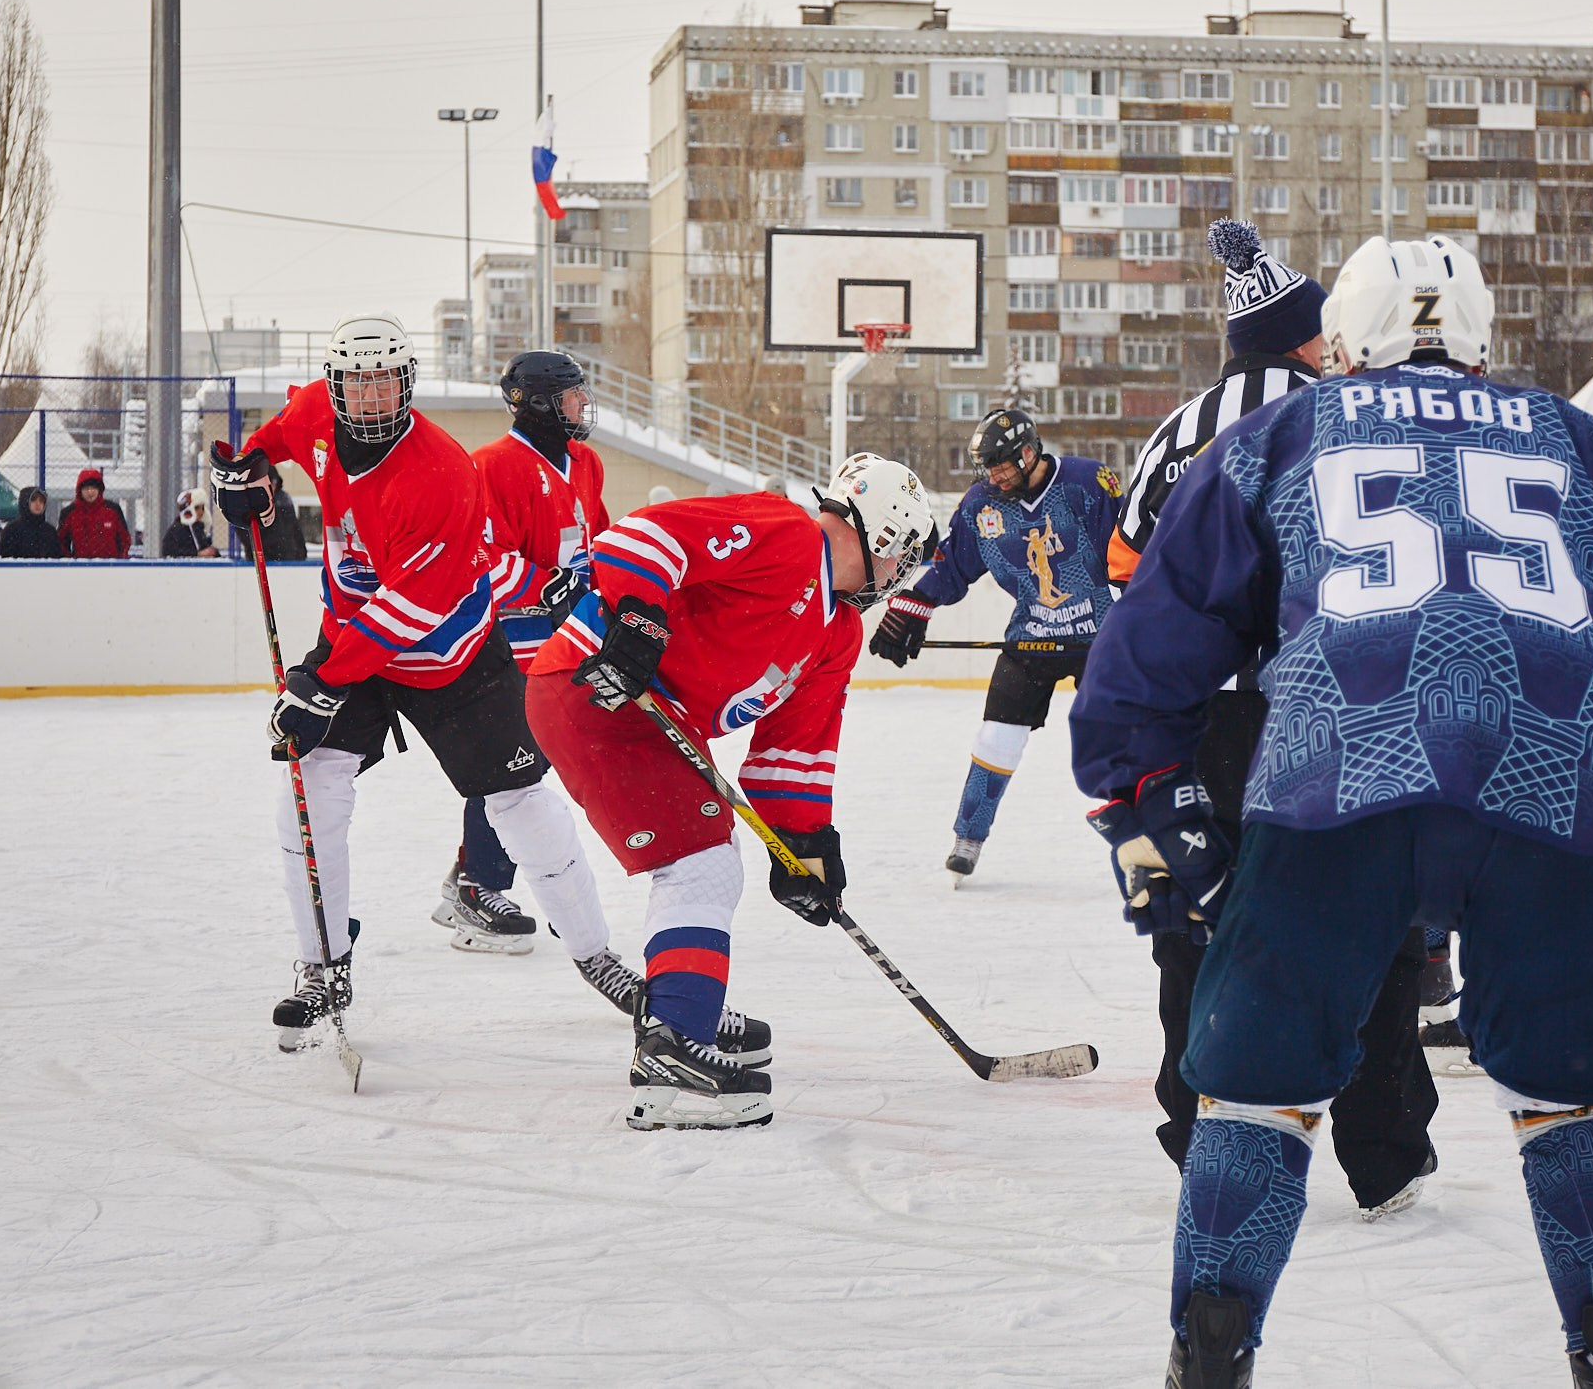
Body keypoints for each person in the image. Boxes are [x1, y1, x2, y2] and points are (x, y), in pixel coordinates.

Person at [1071, 235, 1593, 1389]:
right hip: (1554, 782)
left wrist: (1147, 794)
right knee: (1572, 1099)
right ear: (1481, 337)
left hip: (1340, 773)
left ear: (1343, 338)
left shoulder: (1280, 431)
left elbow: (1150, 644)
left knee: (1256, 1092)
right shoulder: (1589, 447)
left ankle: (1211, 1350)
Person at [1097, 219, 1438, 1212]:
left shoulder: (1173, 432)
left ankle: (1199, 1123)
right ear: (1308, 337)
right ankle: (1381, 1150)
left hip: (1194, 725)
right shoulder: (1351, 417)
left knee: (1194, 921)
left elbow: (1121, 570)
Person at [209, 314, 625, 1063]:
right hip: (355, 641)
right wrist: (249, 471)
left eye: (384, 381)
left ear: (406, 384)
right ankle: (324, 962)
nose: (368, 398)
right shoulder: (315, 416)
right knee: (309, 781)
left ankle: (596, 953)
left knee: (522, 799)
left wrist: (322, 678)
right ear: (337, 386)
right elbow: (279, 433)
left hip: (452, 654)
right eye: (356, 382)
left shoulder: (441, 473)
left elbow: (412, 609)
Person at [526, 452, 939, 1130]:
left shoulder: (837, 633)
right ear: (886, 535)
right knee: (703, 863)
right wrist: (637, 616)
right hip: (594, 687)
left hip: (650, 718)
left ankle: (681, 1012)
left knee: (706, 860)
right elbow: (646, 536)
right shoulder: (787, 535)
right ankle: (673, 1042)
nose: (903, 575)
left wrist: (804, 848)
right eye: (906, 556)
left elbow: (793, 748)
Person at [868, 406, 1119, 880]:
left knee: (1120, 738)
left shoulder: (1087, 483)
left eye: (1003, 465)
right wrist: (913, 605)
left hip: (1104, 639)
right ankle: (968, 837)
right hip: (1030, 640)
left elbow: (1135, 551)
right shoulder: (982, 504)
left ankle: (1144, 830)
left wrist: (1142, 621)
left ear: (1029, 452)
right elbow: (951, 567)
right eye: (989, 468)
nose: (996, 476)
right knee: (996, 739)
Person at [440, 350, 613, 954]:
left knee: (533, 761)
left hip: (568, 636)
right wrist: (545, 585)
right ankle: (476, 885)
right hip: (507, 638)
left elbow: (600, 537)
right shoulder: (490, 465)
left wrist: (606, 582)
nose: (581, 405)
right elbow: (482, 555)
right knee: (512, 762)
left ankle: (473, 868)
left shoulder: (585, 461)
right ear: (538, 402)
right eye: (571, 396)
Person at [59, 467, 132, 559]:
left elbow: (124, 539)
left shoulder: (113, 510)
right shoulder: (69, 513)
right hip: (81, 568)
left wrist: (118, 561)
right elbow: (62, 542)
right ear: (80, 490)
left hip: (110, 567)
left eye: (93, 488)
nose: (90, 492)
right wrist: (72, 563)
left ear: (99, 489)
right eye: (86, 488)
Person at [256, 465, 307, 564]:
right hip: (264, 560)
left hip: (289, 558)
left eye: (274, 483)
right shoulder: (256, 503)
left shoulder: (284, 500)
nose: (273, 486)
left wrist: (301, 552)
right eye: (270, 483)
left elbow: (294, 528)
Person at [0, 486, 62, 559]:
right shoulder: (12, 530)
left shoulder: (50, 531)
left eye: (41, 501)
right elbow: (5, 560)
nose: (38, 504)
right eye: (33, 500)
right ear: (25, 502)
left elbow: (56, 559)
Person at [160, 489, 217, 558]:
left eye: (202, 508)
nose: (201, 512)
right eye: (197, 508)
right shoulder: (177, 530)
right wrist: (197, 554)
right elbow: (170, 552)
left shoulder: (198, 528)